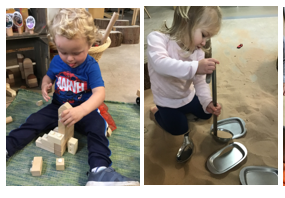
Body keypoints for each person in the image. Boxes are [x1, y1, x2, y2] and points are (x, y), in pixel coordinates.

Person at [6, 8, 139, 186]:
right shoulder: (56, 61)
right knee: (33, 121)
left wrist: (81, 111)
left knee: (98, 126)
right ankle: (7, 146)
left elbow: (100, 93)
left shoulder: (91, 66)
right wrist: (46, 83)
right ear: (56, 45)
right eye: (63, 51)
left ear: (90, 44)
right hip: (58, 107)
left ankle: (99, 171)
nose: (69, 58)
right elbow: (49, 76)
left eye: (76, 52)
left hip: (84, 110)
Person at [146, 6, 222, 163]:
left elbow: (200, 81)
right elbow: (161, 64)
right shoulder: (157, 38)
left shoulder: (197, 51)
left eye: (207, 38)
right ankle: (156, 112)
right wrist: (196, 67)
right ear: (186, 22)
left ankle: (190, 109)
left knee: (207, 112)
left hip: (187, 95)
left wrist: (207, 101)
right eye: (203, 35)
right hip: (167, 101)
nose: (204, 42)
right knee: (178, 129)